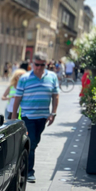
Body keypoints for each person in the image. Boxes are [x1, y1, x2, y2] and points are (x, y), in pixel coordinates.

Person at [10, 52, 59, 184]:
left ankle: (21, 158)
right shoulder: (25, 78)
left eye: (42, 65)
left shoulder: (52, 77)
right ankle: (29, 172)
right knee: (31, 142)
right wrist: (14, 116)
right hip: (28, 116)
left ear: (45, 64)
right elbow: (17, 98)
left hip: (43, 116)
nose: (38, 67)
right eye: (36, 64)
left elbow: (55, 95)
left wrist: (53, 113)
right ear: (32, 64)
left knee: (35, 142)